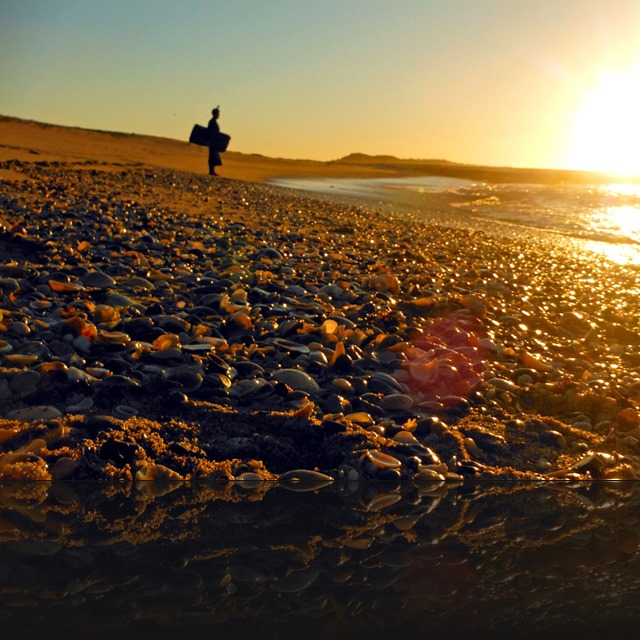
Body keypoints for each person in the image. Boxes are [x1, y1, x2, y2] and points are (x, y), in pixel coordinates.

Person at [207, 107, 222, 175]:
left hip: (214, 142)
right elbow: (210, 132)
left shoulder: (213, 122)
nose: (219, 115)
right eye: (218, 113)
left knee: (214, 155)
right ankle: (211, 171)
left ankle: (212, 170)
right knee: (212, 156)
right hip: (212, 142)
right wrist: (210, 141)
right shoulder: (212, 122)